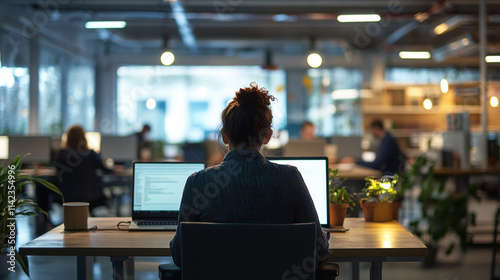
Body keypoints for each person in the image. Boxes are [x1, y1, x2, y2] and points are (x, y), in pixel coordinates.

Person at [170, 83, 329, 267]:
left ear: (224, 136)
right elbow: (320, 251)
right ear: (268, 136)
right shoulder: (290, 178)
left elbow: (180, 254)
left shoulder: (198, 183)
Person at [53, 125, 112, 210]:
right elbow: (106, 170)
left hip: (65, 196)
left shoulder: (61, 154)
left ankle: (44, 220)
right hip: (90, 196)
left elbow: (57, 171)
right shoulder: (91, 154)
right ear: (83, 137)